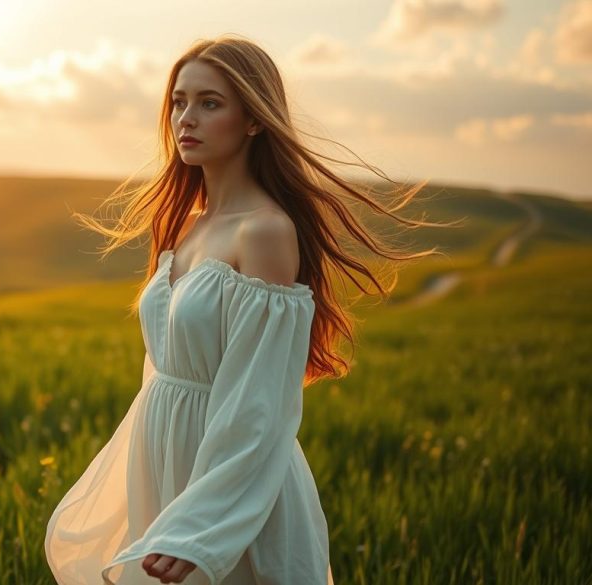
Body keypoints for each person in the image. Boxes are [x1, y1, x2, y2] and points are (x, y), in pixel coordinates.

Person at [45, 34, 449, 585]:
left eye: (210, 103)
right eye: (179, 102)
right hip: (162, 460)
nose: (186, 118)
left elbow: (260, 401)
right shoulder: (184, 226)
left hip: (229, 482)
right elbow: (162, 371)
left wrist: (201, 525)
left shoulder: (265, 232)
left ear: (255, 119)